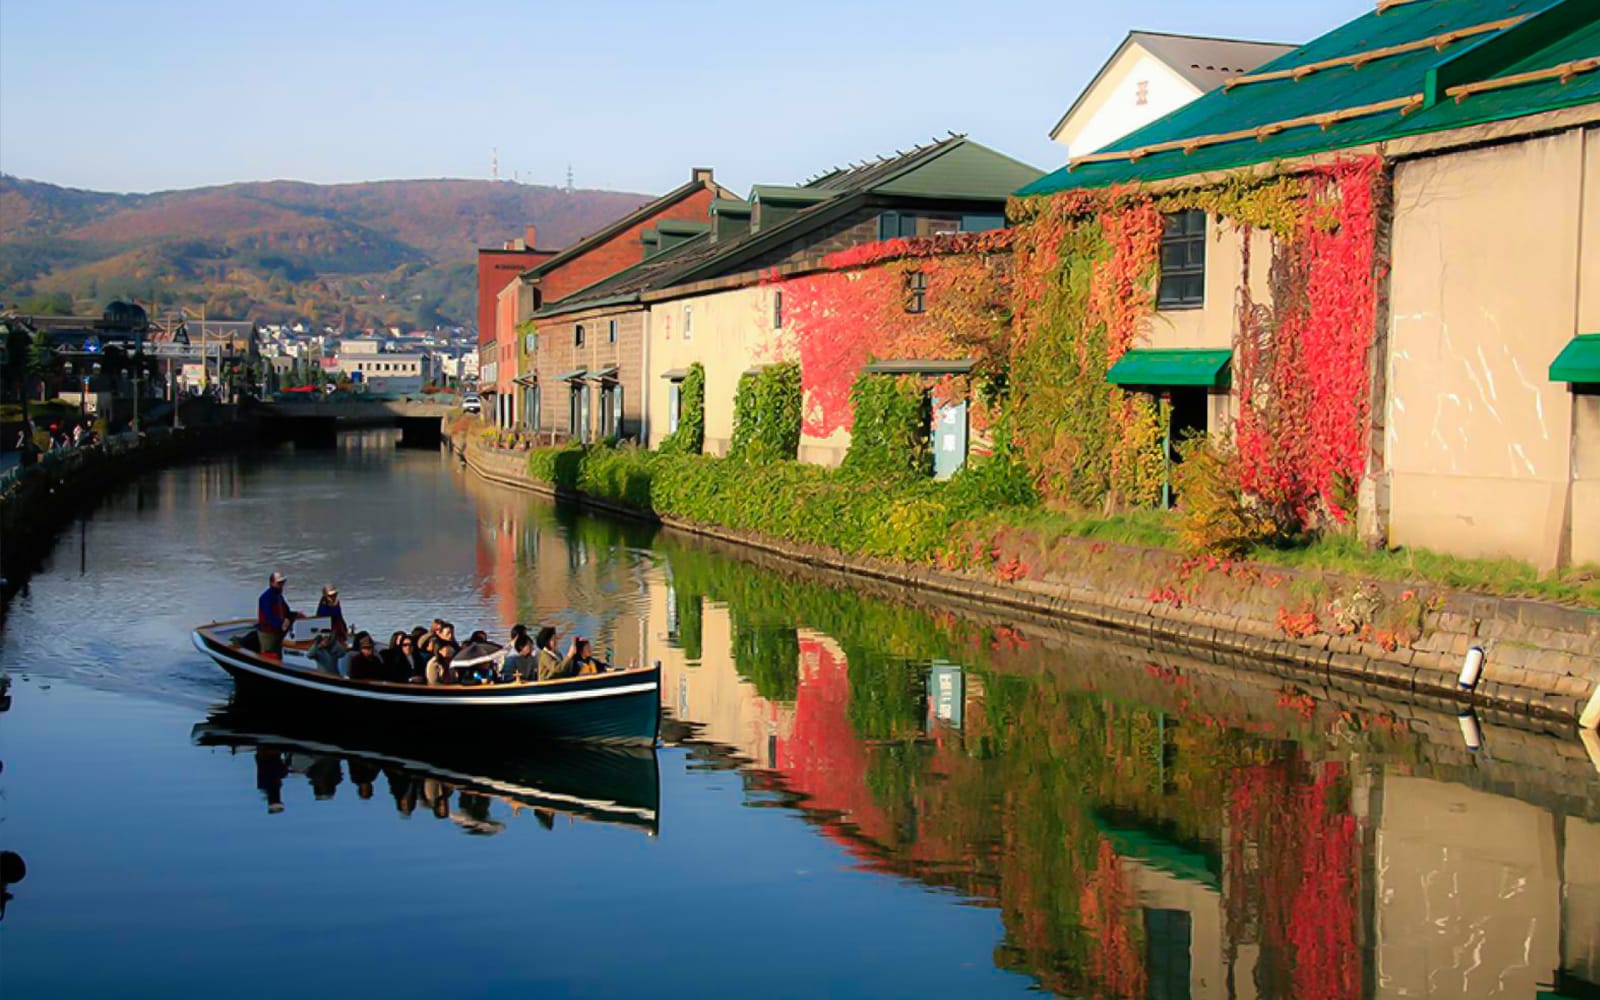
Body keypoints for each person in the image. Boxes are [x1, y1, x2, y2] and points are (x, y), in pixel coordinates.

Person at [256, 572, 297, 660]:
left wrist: (295, 615)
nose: (281, 585)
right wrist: (282, 623)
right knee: (268, 657)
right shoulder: (265, 598)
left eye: (282, 583)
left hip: (279, 632)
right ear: (272, 583)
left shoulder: (278, 596)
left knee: (278, 656)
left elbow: (286, 611)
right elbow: (269, 616)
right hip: (268, 634)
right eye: (279, 583)